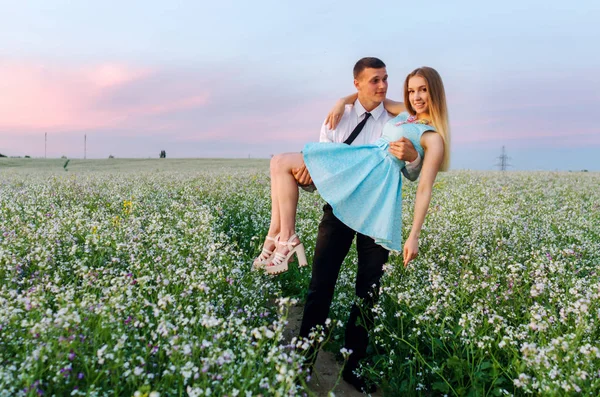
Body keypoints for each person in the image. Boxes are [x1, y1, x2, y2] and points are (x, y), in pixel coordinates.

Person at [258, 61, 450, 392]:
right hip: (344, 199)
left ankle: (353, 368)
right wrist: (342, 101)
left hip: (377, 210)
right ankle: (304, 361)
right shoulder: (400, 112)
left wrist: (412, 164)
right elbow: (365, 93)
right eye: (412, 89)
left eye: (423, 90)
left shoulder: (433, 137)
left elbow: (423, 187)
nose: (416, 96)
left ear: (434, 92)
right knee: (321, 285)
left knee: (368, 293)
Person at [253, 58, 424, 275]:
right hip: (339, 202)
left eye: (385, 79)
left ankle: (283, 237)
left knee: (369, 282)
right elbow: (324, 168)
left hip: (375, 205)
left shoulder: (396, 120)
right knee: (278, 161)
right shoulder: (336, 117)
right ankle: (279, 234)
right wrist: (309, 179)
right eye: (375, 81)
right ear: (357, 84)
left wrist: (414, 157)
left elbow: (411, 171)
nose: (382, 86)